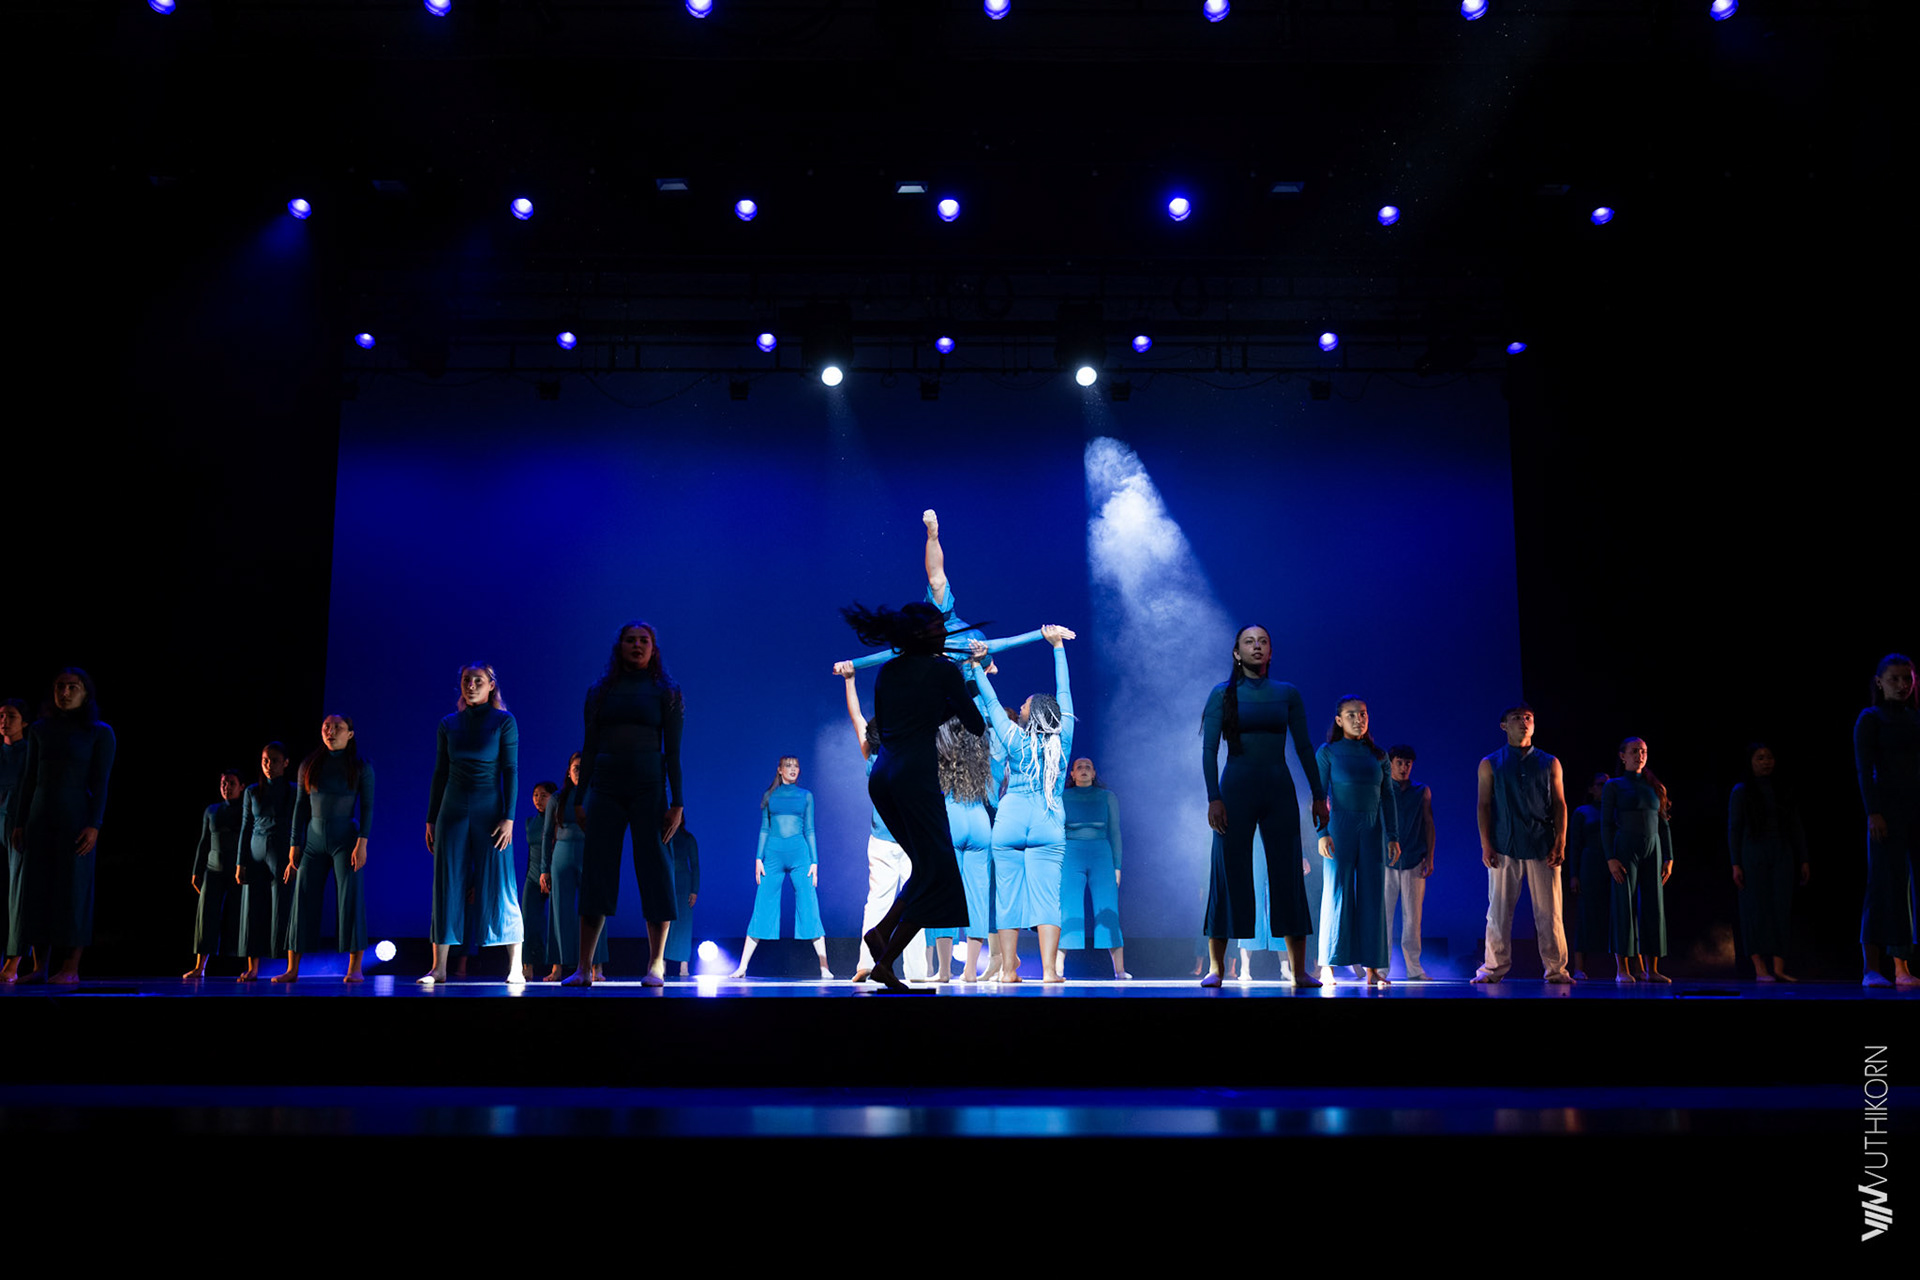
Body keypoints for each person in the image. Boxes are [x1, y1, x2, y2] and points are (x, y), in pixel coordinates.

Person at [840, 600, 988, 992]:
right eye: (939, 627)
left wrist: (935, 705)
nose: (945, 633)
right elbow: (975, 724)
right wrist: (960, 689)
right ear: (924, 633)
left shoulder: (887, 671)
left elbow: (890, 724)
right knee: (940, 874)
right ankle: (885, 960)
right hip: (914, 778)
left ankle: (883, 936)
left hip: (883, 777)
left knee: (927, 868)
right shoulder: (943, 670)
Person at [1201, 625, 1328, 988]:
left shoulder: (1287, 693)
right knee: (1228, 872)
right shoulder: (1222, 694)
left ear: (1271, 652)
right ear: (1236, 653)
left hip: (1278, 789)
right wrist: (1213, 797)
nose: (1256, 646)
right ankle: (1216, 968)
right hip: (1235, 789)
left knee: (1288, 874)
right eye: (1249, 642)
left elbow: (1304, 747)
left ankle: (1299, 970)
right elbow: (1209, 749)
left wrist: (1318, 794)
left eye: (1263, 642)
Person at [567, 621, 684, 988]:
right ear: (619, 646)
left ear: (653, 648)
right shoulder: (600, 691)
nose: (637, 645)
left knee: (655, 869)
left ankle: (656, 964)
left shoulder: (666, 691)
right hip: (605, 788)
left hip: (649, 789)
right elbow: (588, 747)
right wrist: (580, 798)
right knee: (597, 871)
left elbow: (673, 752)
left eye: (643, 640)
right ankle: (584, 967)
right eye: (630, 640)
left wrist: (678, 802)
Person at [969, 628, 1076, 984]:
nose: (1023, 706)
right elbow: (1064, 692)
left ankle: (1008, 971)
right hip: (1048, 820)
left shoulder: (1014, 738)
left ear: (1033, 713)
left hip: (1010, 820)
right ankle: (1049, 971)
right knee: (1047, 898)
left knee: (1007, 897)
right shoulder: (1063, 739)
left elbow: (992, 703)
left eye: (1027, 704)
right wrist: (1057, 648)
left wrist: (977, 668)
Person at [5, 669, 116, 986]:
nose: (65, 692)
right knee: (38, 891)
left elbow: (101, 783)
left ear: (85, 692)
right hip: (40, 817)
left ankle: (70, 966)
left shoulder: (99, 732)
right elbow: (29, 779)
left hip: (75, 819)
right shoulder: (40, 729)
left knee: (74, 891)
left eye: (72, 687)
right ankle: (40, 966)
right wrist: (20, 823)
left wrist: (94, 824)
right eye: (60, 687)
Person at [421, 663, 523, 986]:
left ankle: (516, 967)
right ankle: (439, 968)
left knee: (500, 883)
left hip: (490, 811)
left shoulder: (504, 721)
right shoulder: (448, 724)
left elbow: (510, 770)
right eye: (466, 680)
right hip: (451, 810)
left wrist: (509, 817)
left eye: (478, 680)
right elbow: (440, 772)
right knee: (446, 883)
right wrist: (431, 818)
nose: (471, 685)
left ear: (491, 685)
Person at [837, 668, 929, 983]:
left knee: (879, 901)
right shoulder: (906, 753)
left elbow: (857, 717)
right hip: (907, 840)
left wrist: (850, 681)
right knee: (913, 902)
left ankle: (868, 963)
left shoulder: (873, 756)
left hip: (887, 840)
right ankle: (915, 971)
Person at [1472, 703, 1571, 984]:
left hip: (1542, 845)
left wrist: (1561, 841)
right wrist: (1486, 844)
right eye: (1517, 718)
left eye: (1528, 718)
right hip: (1505, 844)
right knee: (1498, 912)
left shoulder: (1549, 762)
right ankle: (1493, 968)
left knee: (1550, 913)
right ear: (1504, 726)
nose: (1524, 722)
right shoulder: (1490, 762)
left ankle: (1556, 970)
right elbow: (1484, 805)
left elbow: (1560, 804)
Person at [274, 714, 372, 984]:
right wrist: (295, 844)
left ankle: (355, 968)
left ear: (350, 734)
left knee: (350, 899)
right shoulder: (309, 764)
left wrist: (362, 843)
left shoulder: (361, 765)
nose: (331, 731)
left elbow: (368, 807)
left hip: (346, 841)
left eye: (338, 728)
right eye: (327, 727)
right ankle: (292, 969)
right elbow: (300, 806)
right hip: (314, 841)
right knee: (302, 899)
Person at [1315, 698, 1399, 986]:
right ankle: (1327, 965)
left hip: (1373, 830)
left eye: (1362, 714)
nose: (1358, 719)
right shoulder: (1328, 752)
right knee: (1336, 894)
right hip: (1339, 829)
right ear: (1339, 721)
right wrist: (1321, 833)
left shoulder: (1379, 755)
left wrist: (1393, 836)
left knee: (1373, 897)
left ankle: (1373, 969)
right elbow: (1318, 795)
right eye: (1351, 715)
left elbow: (1388, 796)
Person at [731, 756, 833, 979]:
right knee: (762, 905)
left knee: (809, 904)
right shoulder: (769, 796)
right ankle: (742, 966)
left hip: (800, 855)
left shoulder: (806, 796)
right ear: (779, 770)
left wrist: (815, 861)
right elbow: (764, 829)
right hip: (773, 855)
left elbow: (810, 829)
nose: (793, 769)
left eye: (796, 766)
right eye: (788, 766)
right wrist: (758, 858)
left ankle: (824, 966)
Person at [1854, 653, 1918, 988]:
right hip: (1885, 812)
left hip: (1914, 810)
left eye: (1907, 679)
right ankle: (1874, 968)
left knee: (1907, 888)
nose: (1902, 685)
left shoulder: (1914, 718)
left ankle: (1903, 965)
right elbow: (1864, 770)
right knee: (1884, 884)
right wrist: (1873, 812)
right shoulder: (1871, 718)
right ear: (1879, 682)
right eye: (1894, 679)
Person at [1729, 743, 1809, 982]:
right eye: (1760, 758)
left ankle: (1779, 967)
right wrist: (1736, 863)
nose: (1766, 762)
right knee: (1755, 909)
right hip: (1753, 853)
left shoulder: (1782, 789)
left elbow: (1796, 825)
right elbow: (1734, 829)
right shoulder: (1742, 791)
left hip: (1782, 851)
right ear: (1751, 762)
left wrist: (1803, 858)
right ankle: (1760, 968)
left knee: (1780, 908)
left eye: (1769, 757)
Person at [1602, 737, 1674, 983]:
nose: (1639, 755)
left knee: (1654, 906)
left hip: (1653, 849)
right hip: (1625, 848)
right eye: (1634, 751)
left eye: (1643, 751)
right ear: (1622, 756)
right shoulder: (1614, 786)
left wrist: (1669, 856)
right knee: (1624, 904)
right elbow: (1606, 824)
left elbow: (1664, 823)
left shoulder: (1654, 785)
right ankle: (1622, 969)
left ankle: (1651, 969)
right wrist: (1610, 858)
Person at [937, 716, 995, 983]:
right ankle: (970, 970)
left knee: (944, 896)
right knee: (978, 898)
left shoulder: (942, 753)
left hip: (953, 817)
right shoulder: (981, 754)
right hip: (980, 821)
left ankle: (944, 971)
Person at [236, 742, 298, 982]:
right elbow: (245, 827)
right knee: (252, 909)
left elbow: (298, 825)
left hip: (281, 850)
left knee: (283, 907)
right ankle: (252, 968)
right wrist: (240, 862)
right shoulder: (252, 791)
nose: (268, 765)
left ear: (286, 763)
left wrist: (294, 857)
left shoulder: (293, 790)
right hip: (255, 852)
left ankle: (290, 967)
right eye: (265, 760)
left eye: (274, 760)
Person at [544, 754, 608, 981]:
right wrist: (544, 868)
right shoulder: (557, 798)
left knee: (594, 907)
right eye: (576, 768)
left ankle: (596, 966)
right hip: (562, 855)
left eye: (583, 768)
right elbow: (547, 835)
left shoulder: (597, 795)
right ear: (568, 771)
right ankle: (558, 967)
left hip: (589, 854)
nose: (579, 772)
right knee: (559, 911)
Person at [1062, 758, 1128, 980]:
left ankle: (1119, 970)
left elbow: (1115, 833)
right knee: (1068, 909)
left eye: (1088, 767)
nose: (1084, 770)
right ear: (1072, 774)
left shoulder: (1107, 797)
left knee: (1108, 910)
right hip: (1071, 855)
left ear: (1094, 773)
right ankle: (1057, 967)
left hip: (1101, 855)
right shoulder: (1062, 797)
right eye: (1079, 767)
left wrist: (1117, 866)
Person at [184, 770, 246, 980]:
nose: (226, 787)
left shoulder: (246, 810)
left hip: (237, 871)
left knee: (239, 916)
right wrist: (196, 871)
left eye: (231, 783)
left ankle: (243, 966)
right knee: (206, 917)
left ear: (241, 786)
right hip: (213, 870)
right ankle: (200, 967)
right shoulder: (211, 810)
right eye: (223, 783)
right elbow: (204, 842)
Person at [1383, 745, 1434, 980]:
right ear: (1391, 763)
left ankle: (1414, 968)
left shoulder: (1421, 791)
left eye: (1408, 763)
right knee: (1384, 917)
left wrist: (1429, 856)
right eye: (1400, 763)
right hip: (1386, 862)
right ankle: (1380, 968)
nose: (1404, 768)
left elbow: (1429, 824)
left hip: (1414, 859)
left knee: (1413, 918)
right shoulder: (1382, 788)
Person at [1, 698, 37, 983]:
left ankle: (14, 962)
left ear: (24, 722)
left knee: (19, 893)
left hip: (18, 824)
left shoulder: (29, 753)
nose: (4, 721)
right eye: (1, 716)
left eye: (11, 716)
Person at [1567, 772, 1610, 981]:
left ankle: (1627, 967)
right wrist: (1574, 875)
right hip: (1590, 865)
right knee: (1585, 916)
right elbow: (1575, 845)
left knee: (1617, 916)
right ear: (1592, 789)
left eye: (1608, 784)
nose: (1604, 788)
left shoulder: (1616, 811)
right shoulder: (1582, 812)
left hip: (1612, 866)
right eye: (1600, 784)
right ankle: (1579, 967)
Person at [521, 780, 558, 980]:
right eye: (536, 795)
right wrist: (530, 874)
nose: (538, 799)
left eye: (544, 796)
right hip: (533, 876)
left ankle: (556, 967)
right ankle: (527, 966)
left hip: (553, 874)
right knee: (529, 921)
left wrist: (549, 872)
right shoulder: (530, 822)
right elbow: (530, 852)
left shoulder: (558, 820)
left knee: (556, 922)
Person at [666, 824, 699, 976]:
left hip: (684, 884)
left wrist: (694, 890)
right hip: (667, 881)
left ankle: (683, 966)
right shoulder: (663, 837)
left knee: (684, 924)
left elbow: (695, 865)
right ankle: (661, 963)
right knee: (665, 923)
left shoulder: (688, 839)